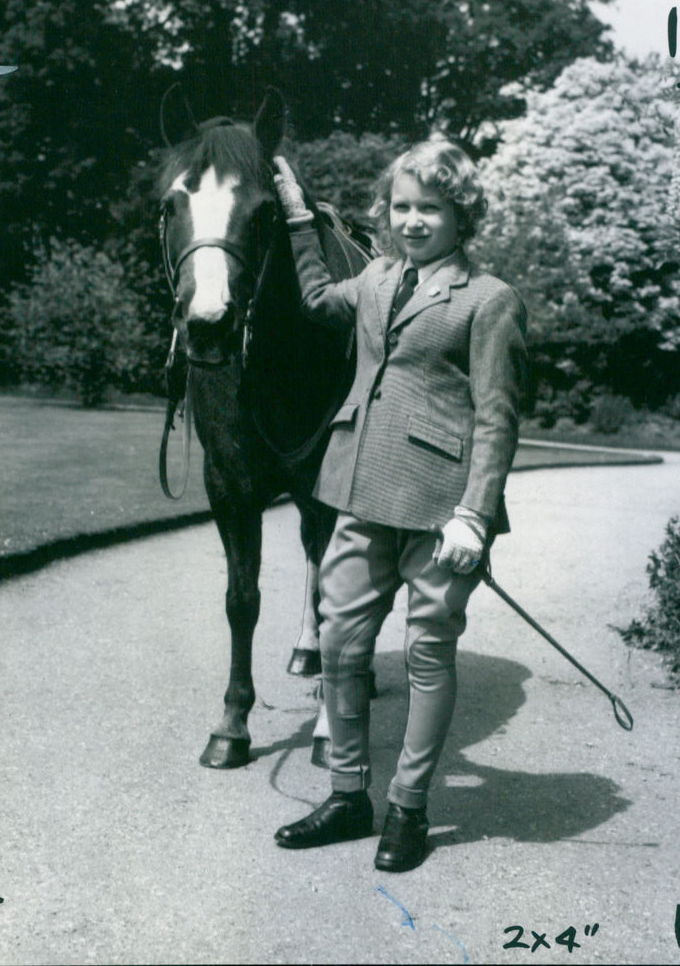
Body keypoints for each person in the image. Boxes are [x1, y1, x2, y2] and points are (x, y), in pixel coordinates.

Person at [271, 139, 528, 872]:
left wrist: (475, 515)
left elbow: (497, 416)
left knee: (424, 654)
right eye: (402, 207)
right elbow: (320, 301)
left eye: (431, 208)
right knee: (341, 648)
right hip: (356, 490)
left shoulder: (489, 299)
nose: (413, 221)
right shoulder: (378, 277)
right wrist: (298, 218)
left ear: (460, 215)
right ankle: (349, 796)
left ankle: (409, 811)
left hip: (442, 512)